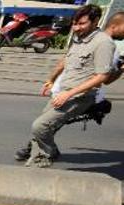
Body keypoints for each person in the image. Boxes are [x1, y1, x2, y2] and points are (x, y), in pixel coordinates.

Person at [13, 5, 115, 168]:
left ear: (96, 21)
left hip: (80, 97)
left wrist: (68, 94)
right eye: (75, 23)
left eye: (81, 23)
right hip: (63, 92)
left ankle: (47, 154)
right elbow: (66, 60)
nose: (76, 27)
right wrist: (51, 79)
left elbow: (102, 77)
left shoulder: (103, 43)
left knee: (40, 126)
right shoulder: (79, 37)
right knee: (45, 124)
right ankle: (35, 151)